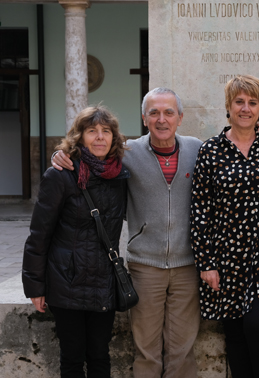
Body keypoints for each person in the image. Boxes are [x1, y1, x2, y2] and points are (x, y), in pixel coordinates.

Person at [52, 88, 202, 378]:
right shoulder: (127, 154)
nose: (161, 119)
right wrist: (59, 155)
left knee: (182, 350)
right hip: (145, 266)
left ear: (180, 118)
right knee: (146, 349)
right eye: (154, 113)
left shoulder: (198, 149)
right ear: (144, 118)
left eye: (169, 112)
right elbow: (88, 155)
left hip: (187, 265)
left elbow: (236, 142)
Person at [190, 74, 259, 378]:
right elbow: (200, 211)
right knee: (234, 330)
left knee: (258, 324)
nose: (246, 108)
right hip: (227, 257)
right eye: (239, 101)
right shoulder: (211, 151)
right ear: (228, 105)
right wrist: (206, 262)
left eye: (252, 102)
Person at [22, 105, 130, 377]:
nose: (99, 137)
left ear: (114, 138)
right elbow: (39, 234)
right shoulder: (61, 174)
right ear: (79, 137)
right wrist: (35, 285)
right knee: (72, 356)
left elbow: (158, 140)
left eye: (106, 131)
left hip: (103, 281)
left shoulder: (120, 175)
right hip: (67, 281)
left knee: (99, 355)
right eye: (91, 131)